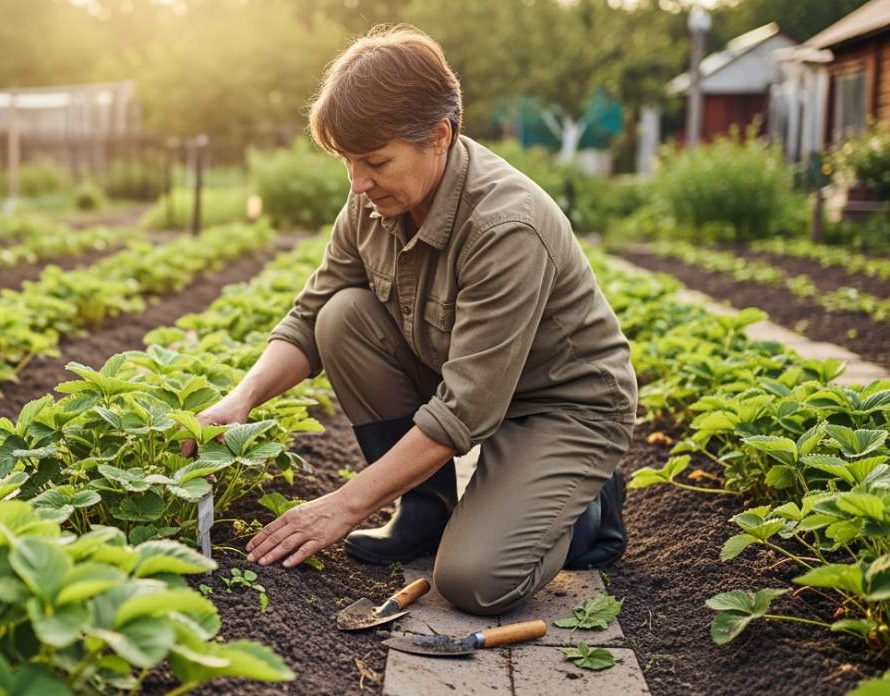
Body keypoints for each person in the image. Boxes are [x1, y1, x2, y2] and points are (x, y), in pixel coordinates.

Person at [192, 25, 638, 616]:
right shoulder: (372, 202)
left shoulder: (506, 226)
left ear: (440, 136)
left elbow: (464, 410)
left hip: (560, 406)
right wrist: (240, 400)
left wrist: (344, 504)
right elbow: (308, 318)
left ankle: (586, 509)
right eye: (347, 161)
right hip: (470, 385)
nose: (358, 182)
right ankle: (426, 510)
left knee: (475, 582)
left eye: (375, 160)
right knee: (341, 317)